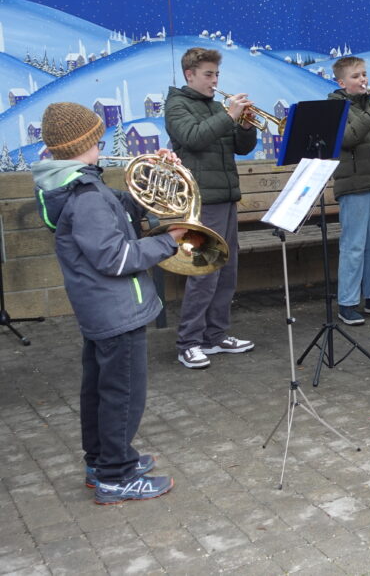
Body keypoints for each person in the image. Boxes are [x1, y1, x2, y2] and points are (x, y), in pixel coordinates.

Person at [32, 102, 182, 503]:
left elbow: (127, 207)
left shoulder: (75, 185)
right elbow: (116, 257)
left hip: (102, 309)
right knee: (124, 395)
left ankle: (102, 461)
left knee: (99, 389)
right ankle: (115, 477)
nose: (102, 145)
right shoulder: (86, 196)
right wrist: (169, 242)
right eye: (97, 139)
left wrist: (158, 174)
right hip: (117, 310)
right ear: (86, 143)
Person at [165, 47, 257, 369]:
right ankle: (188, 342)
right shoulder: (176, 105)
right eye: (208, 74)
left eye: (217, 74)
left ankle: (214, 336)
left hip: (226, 197)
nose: (215, 80)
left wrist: (246, 126)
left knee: (227, 270)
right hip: (202, 200)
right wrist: (228, 116)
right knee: (204, 272)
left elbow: (241, 148)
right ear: (189, 74)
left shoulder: (215, 107)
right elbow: (192, 138)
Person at [328, 56, 370, 326]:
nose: (363, 80)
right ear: (341, 82)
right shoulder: (335, 106)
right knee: (354, 245)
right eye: (356, 76)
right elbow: (347, 138)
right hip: (353, 185)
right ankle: (347, 302)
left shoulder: (369, 105)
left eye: (364, 74)